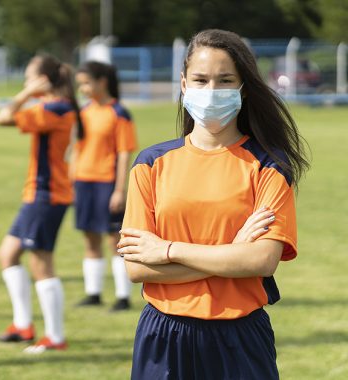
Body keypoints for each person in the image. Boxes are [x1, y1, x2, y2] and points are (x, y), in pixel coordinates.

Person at [118, 29, 309, 379]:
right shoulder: (150, 164)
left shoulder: (269, 165)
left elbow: (261, 260)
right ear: (183, 83)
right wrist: (231, 252)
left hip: (240, 337)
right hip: (163, 334)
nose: (211, 91)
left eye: (225, 81)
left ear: (244, 88)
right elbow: (138, 269)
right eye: (200, 80)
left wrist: (167, 249)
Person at [0, 54, 79, 353]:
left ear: (44, 80)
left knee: (42, 266)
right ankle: (23, 325)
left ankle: (55, 337)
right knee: (7, 255)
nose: (26, 82)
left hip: (47, 194)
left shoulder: (53, 109)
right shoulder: (58, 107)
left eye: (30, 77)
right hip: (38, 194)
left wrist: (26, 95)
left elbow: (2, 117)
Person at [72, 61, 137, 311]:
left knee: (115, 240)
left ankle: (122, 296)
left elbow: (123, 153)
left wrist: (119, 189)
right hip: (83, 183)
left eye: (87, 83)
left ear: (102, 82)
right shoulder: (84, 112)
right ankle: (94, 293)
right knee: (90, 239)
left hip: (106, 184)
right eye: (80, 85)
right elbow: (76, 149)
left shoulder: (119, 113)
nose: (83, 89)